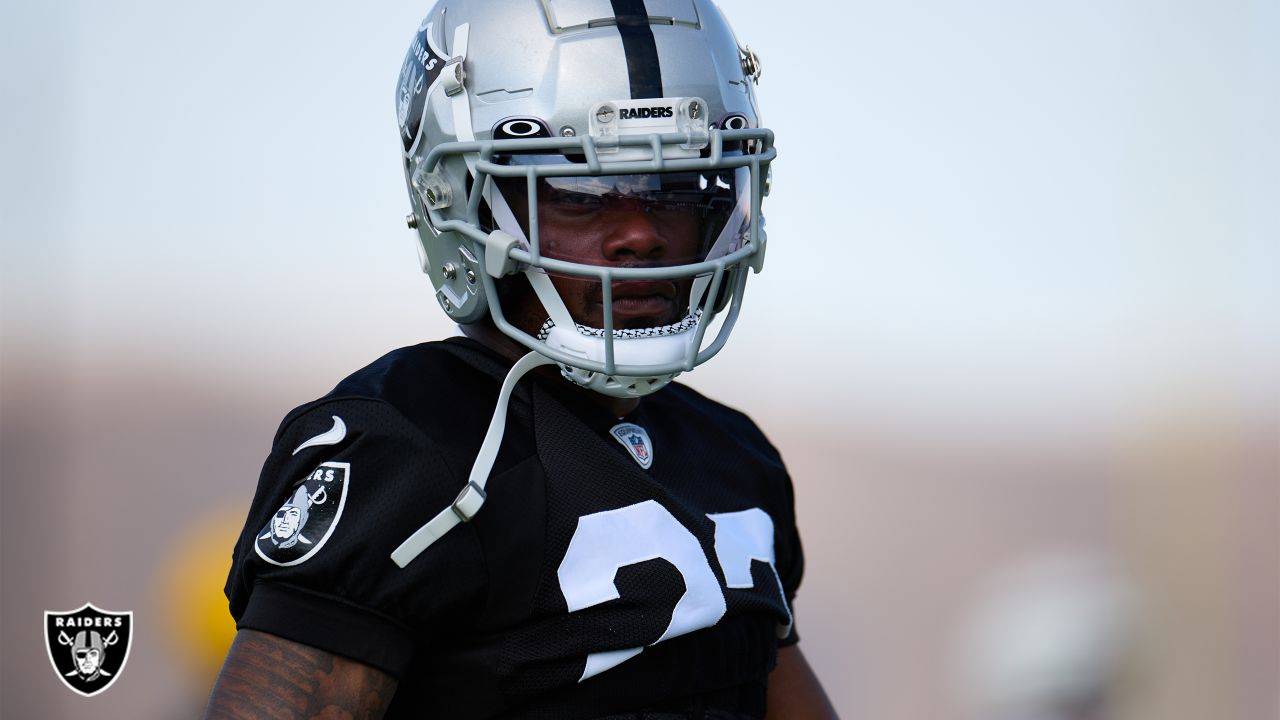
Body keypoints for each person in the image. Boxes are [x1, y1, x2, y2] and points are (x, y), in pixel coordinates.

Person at [205, 1, 835, 718]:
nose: (640, 234)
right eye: (581, 191)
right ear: (464, 204)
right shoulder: (412, 447)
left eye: (676, 187)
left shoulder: (732, 457)